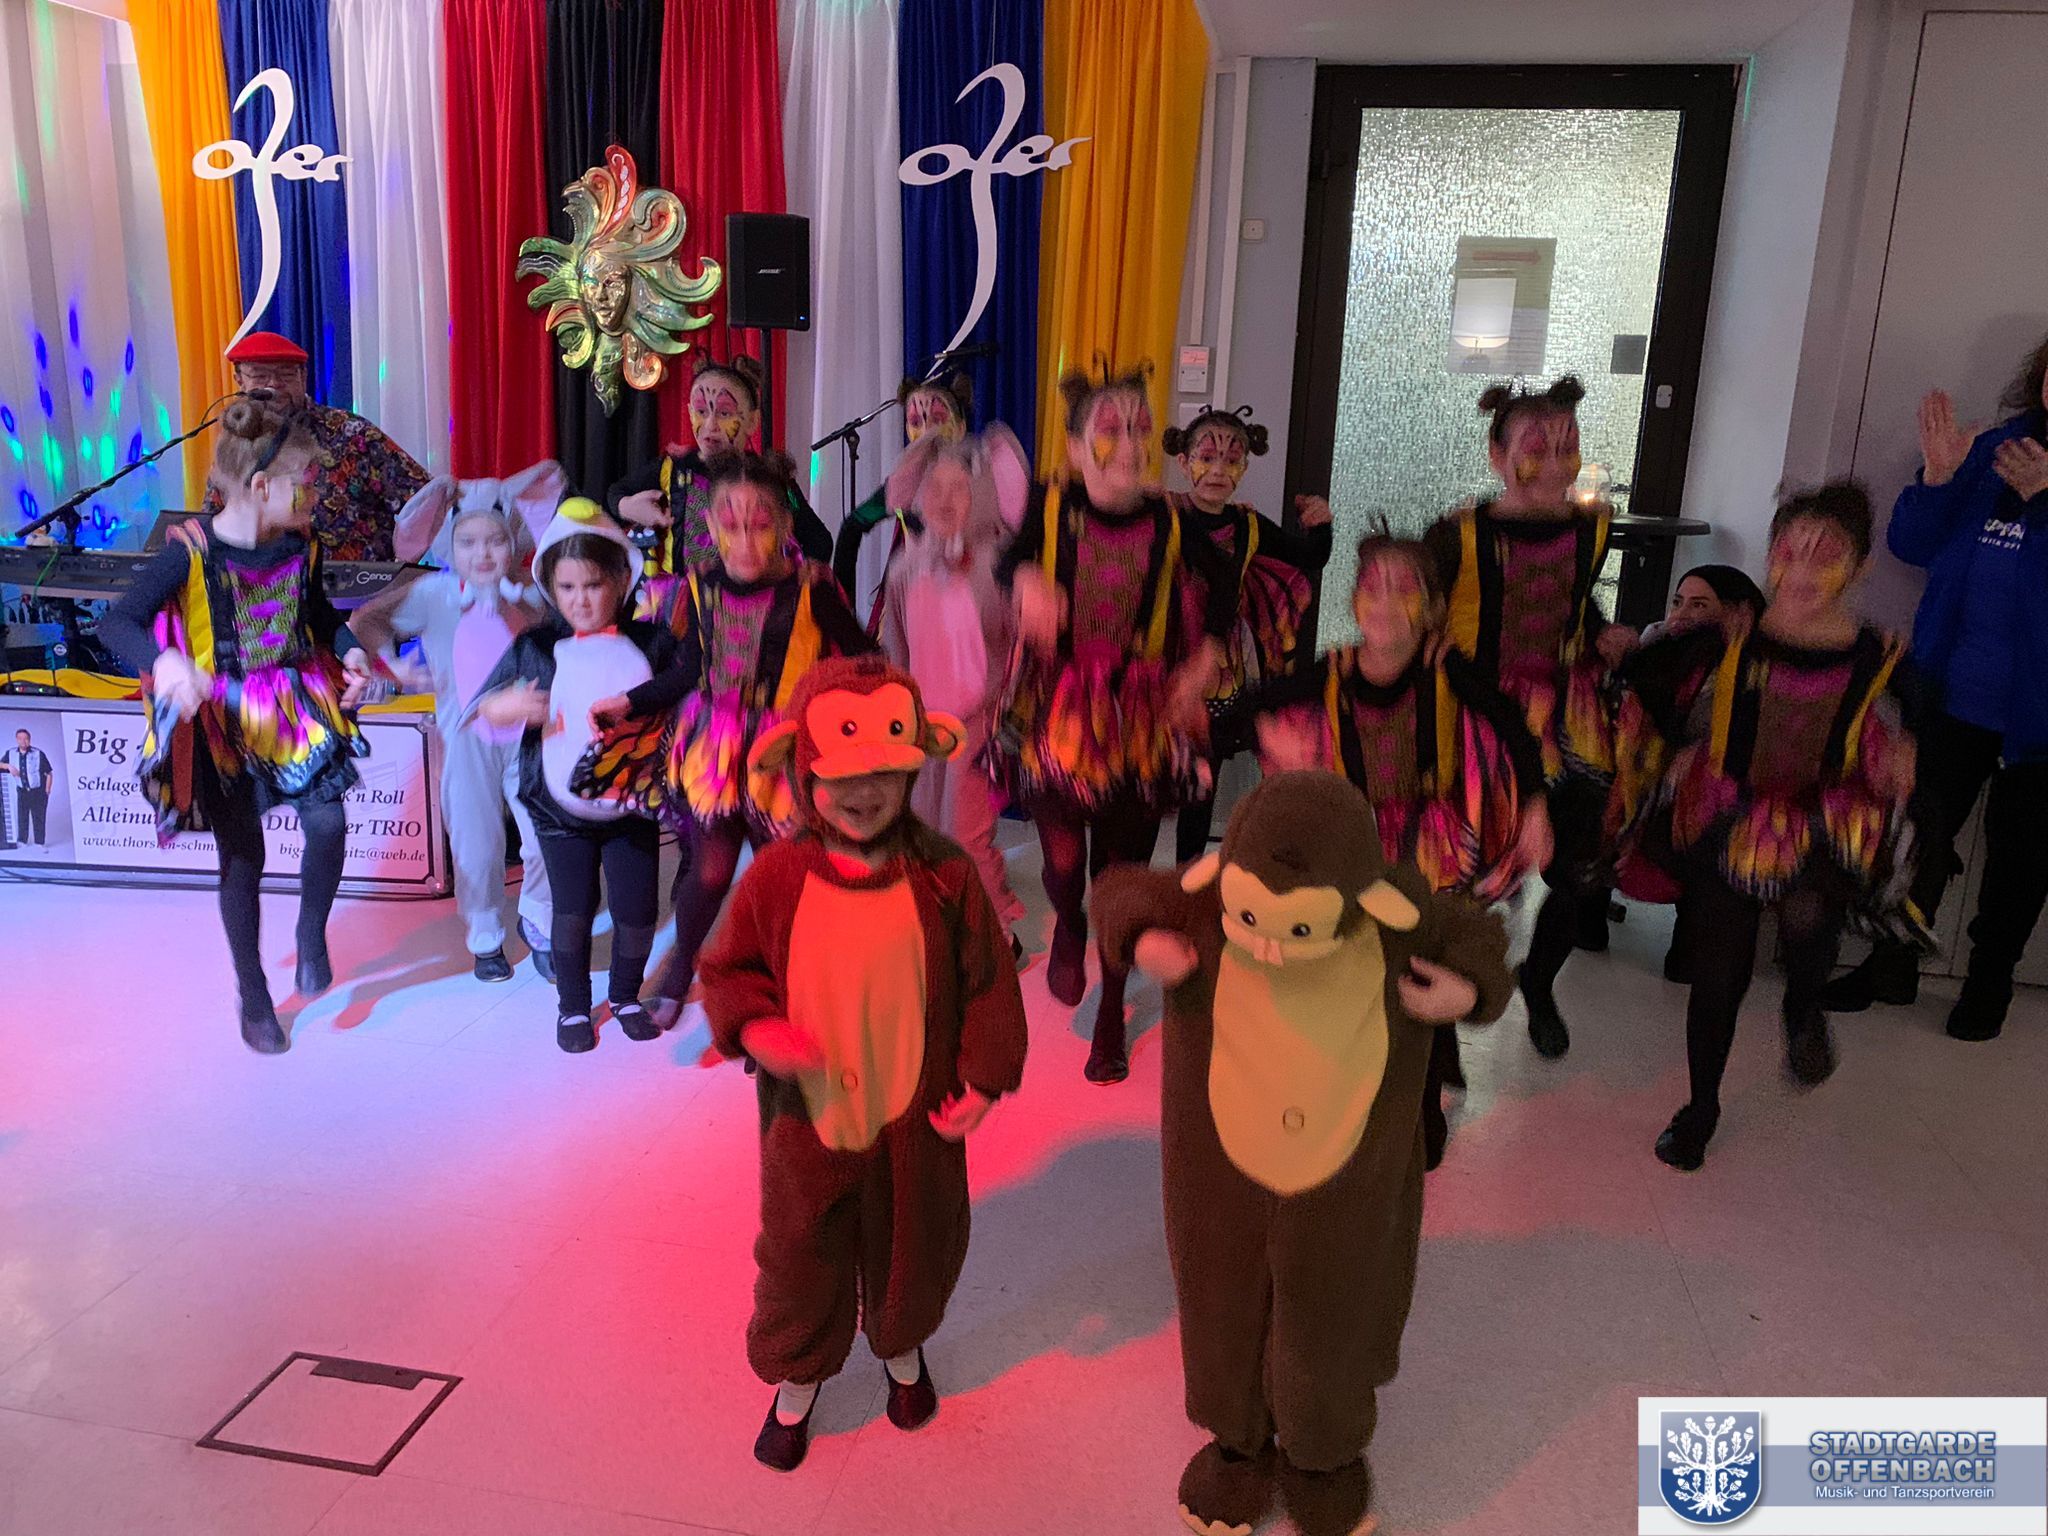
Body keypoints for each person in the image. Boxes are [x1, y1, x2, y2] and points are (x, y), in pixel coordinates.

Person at [1092, 773, 1511, 1536]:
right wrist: (1143, 940)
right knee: (1220, 1304)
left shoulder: (1397, 915)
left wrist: (1468, 990)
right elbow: (1117, 891)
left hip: (1347, 1173)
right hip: (1220, 1170)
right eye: (1252, 920)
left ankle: (1324, 1454)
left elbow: (1479, 934)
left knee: (1335, 1309)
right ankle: (1236, 1445)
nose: (1268, 948)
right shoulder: (1202, 900)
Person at [698, 656, 1029, 1472]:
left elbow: (988, 980)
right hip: (805, 1115)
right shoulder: (777, 876)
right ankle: (799, 1375)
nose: (865, 792)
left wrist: (984, 1077)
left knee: (912, 1237)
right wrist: (757, 1027)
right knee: (800, 1247)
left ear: (912, 769)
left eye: (885, 773)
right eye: (843, 776)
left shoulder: (944, 871)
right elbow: (728, 969)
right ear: (804, 771)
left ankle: (901, 1347)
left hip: (915, 1106)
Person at [1608, 484, 1925, 1170]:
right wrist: (1628, 663)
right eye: (1790, 552)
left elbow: (1925, 705)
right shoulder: (1732, 637)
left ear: (1861, 567)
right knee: (1719, 970)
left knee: (1810, 926)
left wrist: (1907, 745)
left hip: (1819, 818)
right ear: (1771, 555)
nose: (1803, 570)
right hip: (1728, 812)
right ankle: (1701, 1108)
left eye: (1826, 555)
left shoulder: (1875, 654)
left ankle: (1803, 1008)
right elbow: (1646, 675)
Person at [1256, 531, 1549, 1169]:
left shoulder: (1448, 668)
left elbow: (1512, 726)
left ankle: (1425, 1089)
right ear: (1353, 601)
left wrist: (1534, 803)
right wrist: (1224, 720)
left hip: (1432, 849)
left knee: (1422, 963)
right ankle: (1369, 1078)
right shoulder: (1334, 669)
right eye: (1371, 587)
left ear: (1432, 607)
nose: (1385, 601)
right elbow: (1260, 702)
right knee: (1363, 965)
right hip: (1358, 844)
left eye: (1405, 588)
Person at [102, 396, 376, 1054]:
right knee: (243, 857)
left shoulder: (301, 545)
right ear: (259, 487)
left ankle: (310, 932)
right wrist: (165, 663)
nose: (316, 498)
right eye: (305, 485)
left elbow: (318, 616)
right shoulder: (191, 553)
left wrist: (350, 650)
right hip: (222, 720)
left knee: (328, 823)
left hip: (294, 707)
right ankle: (253, 994)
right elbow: (116, 623)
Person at [989, 363, 1235, 1084]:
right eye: (1108, 430)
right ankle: (1069, 923)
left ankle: (1110, 1014)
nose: (1128, 444)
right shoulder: (1049, 506)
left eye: (1138, 428)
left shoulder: (1172, 520)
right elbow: (1007, 562)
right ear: (1074, 448)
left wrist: (1209, 652)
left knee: (1120, 876)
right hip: (1059, 715)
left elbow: (1223, 583)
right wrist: (1024, 579)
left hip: (1139, 720)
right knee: (1065, 865)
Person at [580, 451, 873, 1019]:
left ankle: (783, 991)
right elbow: (689, 670)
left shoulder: (811, 589)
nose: (744, 542)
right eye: (730, 525)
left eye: (759, 526)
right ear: (710, 526)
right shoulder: (700, 587)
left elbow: (865, 659)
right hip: (716, 751)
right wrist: (630, 701)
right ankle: (680, 967)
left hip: (783, 756)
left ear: (783, 526)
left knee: (779, 873)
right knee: (711, 870)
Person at [1821, 336, 2048, 1041]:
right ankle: (1890, 963)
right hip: (1952, 690)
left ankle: (1989, 982)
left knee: (2022, 856)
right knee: (1918, 831)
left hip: (2039, 713)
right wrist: (1940, 478)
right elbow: (1911, 545)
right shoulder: (1996, 448)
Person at [1425, 375, 1636, 1061]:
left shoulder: (1593, 527)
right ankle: (1441, 1019)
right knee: (1464, 874)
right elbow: (1423, 623)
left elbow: (1574, 600)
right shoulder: (1456, 535)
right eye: (1535, 448)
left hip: (1570, 719)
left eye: (1567, 447)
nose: (1553, 464)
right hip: (1475, 716)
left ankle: (1538, 982)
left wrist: (1600, 630)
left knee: (1578, 869)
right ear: (1497, 455)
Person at [470, 499, 680, 1053]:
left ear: (621, 580)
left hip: (631, 807)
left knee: (638, 910)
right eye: (566, 588)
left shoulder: (653, 642)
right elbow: (482, 709)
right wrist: (510, 706)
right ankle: (571, 1006)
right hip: (559, 813)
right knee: (572, 910)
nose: (580, 600)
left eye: (592, 585)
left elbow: (686, 692)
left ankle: (626, 995)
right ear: (550, 588)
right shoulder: (537, 646)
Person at [351, 464, 564, 983]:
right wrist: (394, 665)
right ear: (451, 545)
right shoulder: (434, 594)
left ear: (512, 542)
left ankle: (539, 923)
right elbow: (367, 620)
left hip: (528, 737)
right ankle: (485, 936)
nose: (482, 554)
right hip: (466, 739)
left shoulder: (534, 594)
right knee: (476, 844)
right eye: (469, 542)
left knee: (545, 835)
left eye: (494, 541)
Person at [876, 428, 1029, 951]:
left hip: (980, 724)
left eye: (959, 488)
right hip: (924, 726)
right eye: (935, 488)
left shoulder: (1000, 567)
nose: (944, 500)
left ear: (981, 495)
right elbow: (897, 646)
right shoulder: (905, 566)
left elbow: (1019, 647)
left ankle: (996, 929)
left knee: (967, 831)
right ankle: (937, 914)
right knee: (922, 823)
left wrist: (1010, 714)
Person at [1162, 405, 1334, 864]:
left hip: (1220, 670)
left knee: (1203, 777)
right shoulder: (1164, 513)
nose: (1218, 470)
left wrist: (1320, 522)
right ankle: (1131, 876)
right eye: (1207, 457)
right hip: (1165, 659)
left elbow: (1309, 556)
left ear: (1244, 467)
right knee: (1152, 772)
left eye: (1231, 460)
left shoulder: (1248, 525)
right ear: (1184, 461)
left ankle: (1187, 876)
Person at [607, 354, 833, 622]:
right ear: (689, 411)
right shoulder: (672, 468)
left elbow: (819, 541)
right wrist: (628, 506)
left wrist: (795, 576)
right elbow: (613, 494)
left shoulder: (768, 478)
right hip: (682, 610)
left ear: (752, 421)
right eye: (701, 412)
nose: (710, 425)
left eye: (724, 413)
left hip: (748, 610)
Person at [1630, 563, 1766, 984]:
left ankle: (1694, 943)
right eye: (1678, 602)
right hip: (1652, 776)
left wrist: (1695, 756)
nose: (1682, 615)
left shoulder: (1755, 665)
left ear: (1738, 613)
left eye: (1699, 605)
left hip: (1716, 790)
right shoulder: (1658, 644)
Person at [201, 332, 429, 564]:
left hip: (355, 580)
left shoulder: (352, 432)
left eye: (286, 374)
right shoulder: (236, 446)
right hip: (265, 581)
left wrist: (404, 561)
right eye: (260, 376)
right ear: (239, 380)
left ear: (303, 376)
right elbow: (213, 519)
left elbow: (426, 496)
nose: (274, 384)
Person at [831, 372, 975, 624]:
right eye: (916, 422)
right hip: (915, 608)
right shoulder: (902, 485)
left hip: (967, 606)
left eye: (938, 420)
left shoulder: (978, 479)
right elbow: (851, 527)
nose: (927, 431)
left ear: (961, 427)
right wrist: (843, 614)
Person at [1, 728, 53, 846]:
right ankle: (22, 841)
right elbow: (0, 764)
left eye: (26, 739)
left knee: (39, 817)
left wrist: (47, 790)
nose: (23, 741)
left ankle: (39, 843)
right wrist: (8, 766)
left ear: (29, 740)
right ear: (16, 739)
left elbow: (49, 773)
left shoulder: (38, 753)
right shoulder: (11, 753)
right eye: (20, 738)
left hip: (38, 792)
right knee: (22, 816)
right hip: (22, 791)